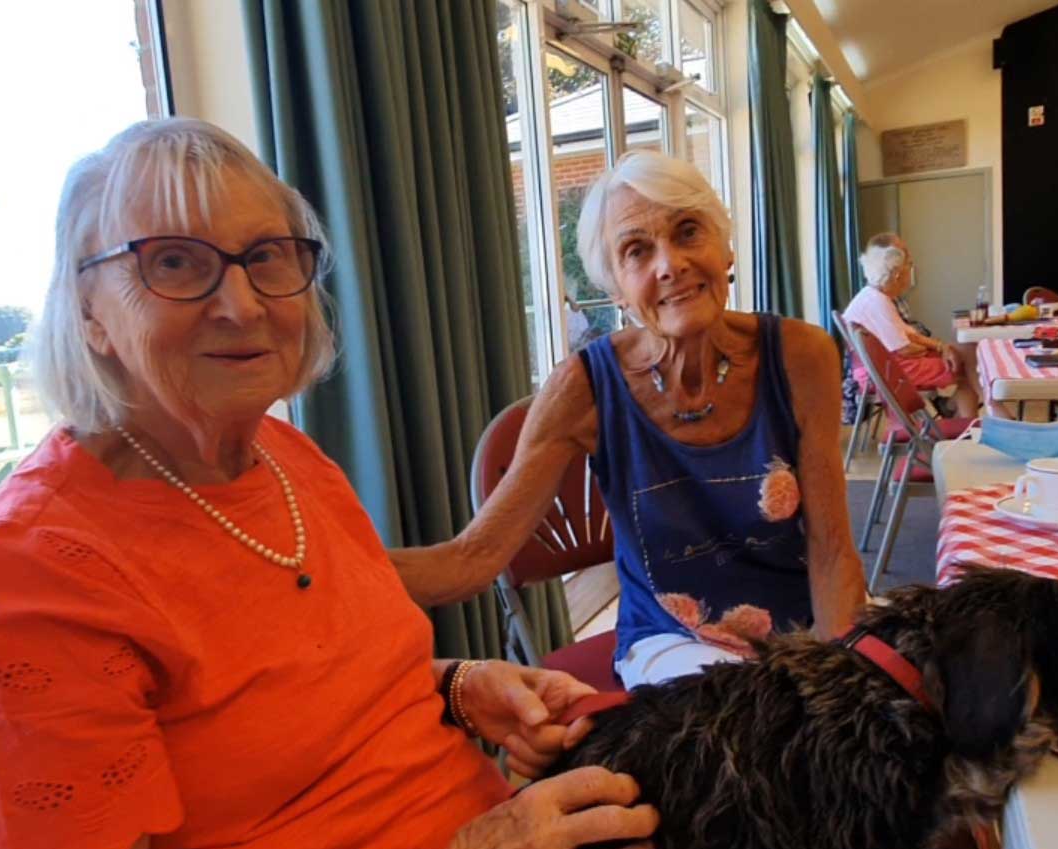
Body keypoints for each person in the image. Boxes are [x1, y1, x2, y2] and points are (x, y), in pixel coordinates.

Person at [0, 118, 658, 849]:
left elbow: (309, 693)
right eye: (174, 261)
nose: (240, 303)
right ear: (88, 309)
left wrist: (462, 687)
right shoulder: (33, 578)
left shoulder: (286, 457)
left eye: (266, 257)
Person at [391, 151, 868, 690]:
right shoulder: (583, 388)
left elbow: (830, 548)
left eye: (688, 232)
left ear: (725, 247)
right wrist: (322, 568)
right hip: (671, 645)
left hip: (797, 629)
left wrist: (839, 680)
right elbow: (472, 560)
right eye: (637, 251)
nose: (669, 264)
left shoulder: (799, 356)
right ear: (616, 287)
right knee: (746, 733)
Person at [842, 233, 985, 418]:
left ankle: (965, 419)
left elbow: (909, 334)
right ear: (897, 274)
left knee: (963, 352)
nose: (912, 268)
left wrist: (941, 347)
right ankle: (973, 421)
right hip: (888, 373)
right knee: (964, 362)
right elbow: (905, 349)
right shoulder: (877, 302)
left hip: (884, 367)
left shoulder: (875, 296)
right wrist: (934, 350)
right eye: (909, 264)